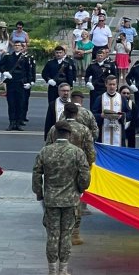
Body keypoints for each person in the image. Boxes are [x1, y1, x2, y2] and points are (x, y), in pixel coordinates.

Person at [32, 121, 91, 275]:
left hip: (51, 200)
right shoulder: (77, 153)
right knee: (66, 235)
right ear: (69, 134)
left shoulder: (45, 151)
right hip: (70, 200)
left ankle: (52, 271)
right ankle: (63, 271)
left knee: (52, 235)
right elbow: (85, 176)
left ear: (55, 134)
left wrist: (39, 192)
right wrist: (79, 189)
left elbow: (36, 174)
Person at [45, 102, 95, 245]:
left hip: (56, 169)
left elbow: (47, 147)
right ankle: (74, 233)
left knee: (54, 199)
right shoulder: (84, 129)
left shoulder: (56, 129)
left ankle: (57, 231)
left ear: (64, 112)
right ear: (76, 113)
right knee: (75, 201)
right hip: (76, 169)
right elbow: (91, 152)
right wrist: (88, 165)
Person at [0, 40, 32, 131]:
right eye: (15, 45)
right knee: (11, 103)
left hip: (21, 83)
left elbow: (28, 71)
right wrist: (5, 72)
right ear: (13, 47)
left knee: (20, 103)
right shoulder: (8, 57)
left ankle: (18, 123)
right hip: (11, 83)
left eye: (19, 45)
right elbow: (0, 66)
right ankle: (12, 122)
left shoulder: (25, 58)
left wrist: (29, 82)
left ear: (22, 47)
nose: (17, 47)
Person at [93, 75, 125, 147]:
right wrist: (101, 116)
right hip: (103, 132)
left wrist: (121, 116)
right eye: (110, 84)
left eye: (114, 84)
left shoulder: (122, 98)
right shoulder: (100, 98)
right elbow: (93, 115)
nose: (112, 87)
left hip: (118, 132)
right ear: (106, 85)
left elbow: (129, 114)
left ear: (117, 85)